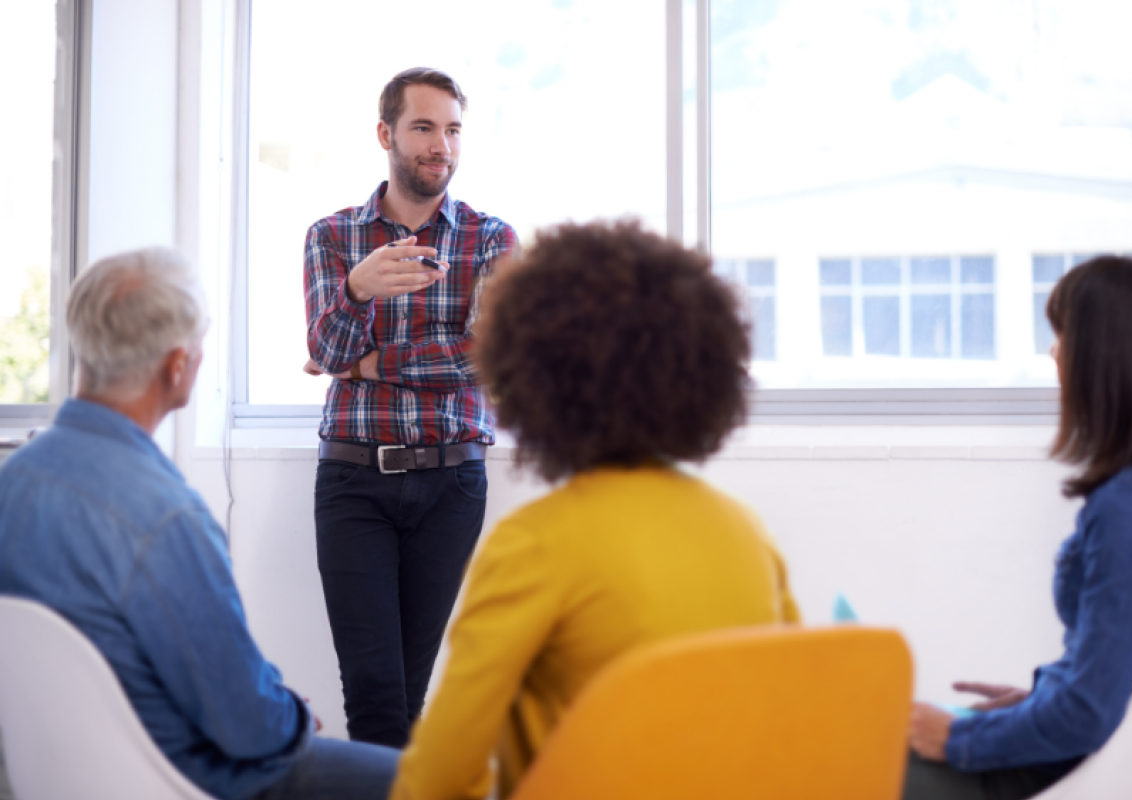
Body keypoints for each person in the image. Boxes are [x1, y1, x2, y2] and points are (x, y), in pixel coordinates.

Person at [388, 220, 801, 800]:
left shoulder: (534, 544)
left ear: (531, 376)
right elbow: (788, 715)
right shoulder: (745, 532)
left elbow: (439, 780)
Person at [0, 247, 398, 800]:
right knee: (428, 781)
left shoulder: (13, 480)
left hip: (55, 776)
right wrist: (291, 715)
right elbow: (247, 726)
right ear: (177, 365)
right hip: (188, 776)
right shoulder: (163, 517)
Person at [904, 255, 1132, 800]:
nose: (1053, 352)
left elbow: (1087, 715)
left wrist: (959, 739)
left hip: (1065, 772)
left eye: (1063, 335)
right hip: (1103, 759)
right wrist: (1044, 700)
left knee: (840, 755)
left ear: (1106, 357)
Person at [302, 67, 519, 747]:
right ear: (386, 134)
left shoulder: (492, 239)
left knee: (409, 693)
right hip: (352, 479)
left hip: (452, 482)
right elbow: (326, 348)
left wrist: (369, 364)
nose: (440, 146)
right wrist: (358, 291)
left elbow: (486, 358)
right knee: (373, 699)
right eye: (423, 127)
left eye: (452, 130)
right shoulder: (332, 236)